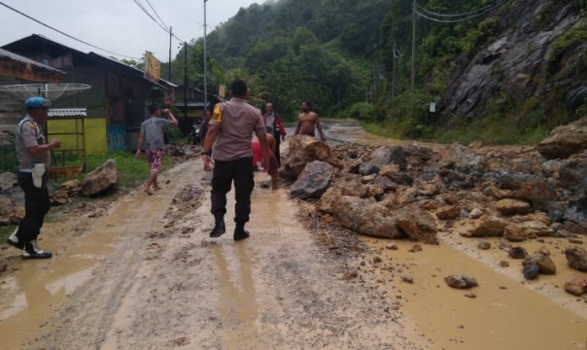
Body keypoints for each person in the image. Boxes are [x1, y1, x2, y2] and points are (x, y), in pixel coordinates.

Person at [201, 79, 277, 241]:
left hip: (222, 158)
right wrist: (266, 158)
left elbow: (213, 129)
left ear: (230, 93)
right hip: (244, 159)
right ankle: (239, 230)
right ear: (246, 93)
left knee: (219, 190)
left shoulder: (219, 108)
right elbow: (263, 138)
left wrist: (205, 151)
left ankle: (219, 220)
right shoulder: (255, 112)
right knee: (243, 194)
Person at [6, 97, 61, 259]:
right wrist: (51, 145)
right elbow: (32, 149)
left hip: (37, 173)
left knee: (43, 206)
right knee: (35, 211)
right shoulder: (27, 126)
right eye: (45, 112)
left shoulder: (34, 125)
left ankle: (18, 236)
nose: (47, 115)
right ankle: (29, 247)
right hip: (31, 174)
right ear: (37, 111)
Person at [136, 103, 178, 194]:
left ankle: (155, 185)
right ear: (156, 111)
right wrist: (169, 113)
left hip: (148, 149)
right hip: (158, 148)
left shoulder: (144, 123)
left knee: (152, 167)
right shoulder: (161, 121)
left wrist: (138, 149)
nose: (160, 111)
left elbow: (141, 137)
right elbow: (175, 123)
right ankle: (147, 186)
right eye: (159, 110)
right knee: (155, 168)